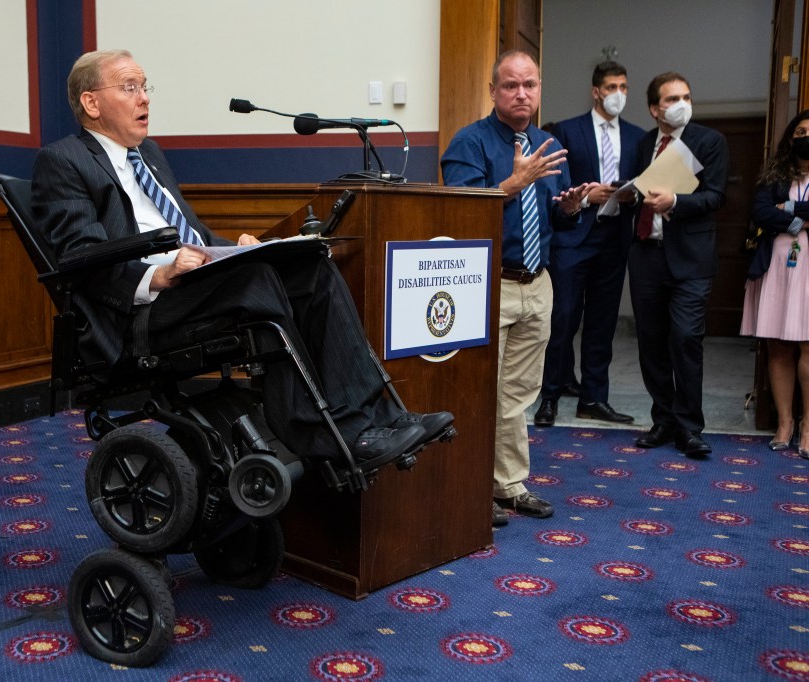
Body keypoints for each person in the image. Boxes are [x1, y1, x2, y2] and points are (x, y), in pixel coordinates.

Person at [32, 49, 453, 471]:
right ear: (91, 102)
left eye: (145, 87)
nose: (145, 98)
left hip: (192, 287)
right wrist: (158, 274)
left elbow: (191, 235)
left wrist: (236, 248)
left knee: (312, 267)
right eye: (129, 88)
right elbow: (80, 256)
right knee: (255, 281)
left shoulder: (151, 156)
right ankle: (317, 429)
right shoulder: (64, 161)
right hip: (140, 313)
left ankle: (378, 419)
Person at [441, 50, 589, 526]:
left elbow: (558, 229)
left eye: (530, 84)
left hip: (537, 284)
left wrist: (568, 209)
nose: (521, 93)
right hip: (489, 285)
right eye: (510, 85)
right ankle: (468, 485)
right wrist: (513, 182)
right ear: (493, 91)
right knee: (478, 390)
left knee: (518, 394)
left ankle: (508, 483)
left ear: (540, 88)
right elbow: (461, 216)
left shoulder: (549, 145)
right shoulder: (470, 143)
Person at [534, 61, 644, 428]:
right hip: (573, 238)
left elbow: (644, 184)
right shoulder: (567, 130)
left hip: (614, 239)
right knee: (562, 318)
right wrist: (586, 197)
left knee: (602, 323)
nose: (618, 94)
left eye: (624, 87)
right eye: (612, 87)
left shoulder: (637, 136)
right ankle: (549, 396)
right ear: (596, 91)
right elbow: (554, 188)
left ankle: (594, 398)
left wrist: (632, 196)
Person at [629, 72, 729, 458]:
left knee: (685, 338)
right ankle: (664, 420)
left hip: (691, 260)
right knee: (651, 344)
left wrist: (676, 202)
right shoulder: (642, 143)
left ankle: (689, 428)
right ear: (655, 109)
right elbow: (639, 190)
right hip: (646, 255)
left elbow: (717, 197)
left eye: (686, 96)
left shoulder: (709, 141)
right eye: (672, 98)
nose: (681, 104)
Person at [739, 109, 809, 459]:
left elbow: (778, 211)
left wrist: (790, 207)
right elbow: (761, 211)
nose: (806, 136)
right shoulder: (775, 174)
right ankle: (785, 424)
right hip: (779, 264)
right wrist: (800, 221)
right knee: (779, 347)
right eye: (801, 131)